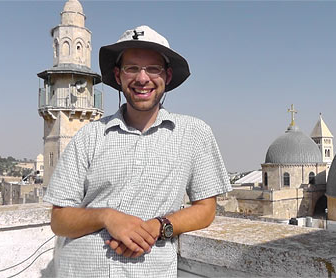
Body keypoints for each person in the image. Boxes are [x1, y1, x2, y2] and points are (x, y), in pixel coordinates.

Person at [44, 25, 232, 277]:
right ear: (118, 75)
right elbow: (59, 220)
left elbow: (206, 208)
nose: (142, 78)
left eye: (152, 68)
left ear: (167, 75)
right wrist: (107, 218)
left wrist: (159, 226)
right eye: (132, 68)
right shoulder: (90, 136)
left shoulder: (194, 133)